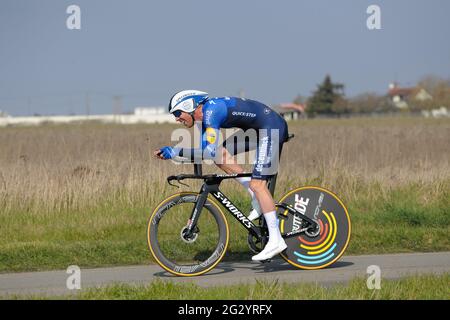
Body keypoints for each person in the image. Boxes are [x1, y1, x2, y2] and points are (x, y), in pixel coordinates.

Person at [154, 90, 289, 261]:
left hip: (271, 128)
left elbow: (206, 151)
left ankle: (276, 240)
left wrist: (174, 151)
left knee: (258, 184)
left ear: (189, 106)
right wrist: (176, 154)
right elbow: (210, 153)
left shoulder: (212, 111)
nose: (176, 119)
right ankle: (256, 197)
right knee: (220, 155)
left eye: (177, 113)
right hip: (258, 129)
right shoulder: (206, 116)